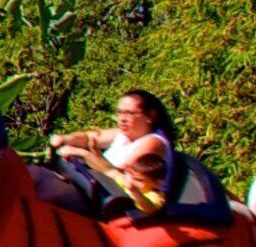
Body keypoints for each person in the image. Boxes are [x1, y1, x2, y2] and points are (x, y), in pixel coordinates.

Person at [42, 89, 178, 213]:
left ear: (150, 116)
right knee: (37, 175)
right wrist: (65, 139)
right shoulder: (123, 134)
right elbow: (93, 136)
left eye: (130, 113)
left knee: (48, 191)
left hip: (116, 201)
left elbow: (115, 173)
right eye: (120, 112)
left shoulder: (153, 143)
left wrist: (82, 153)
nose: (122, 119)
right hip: (93, 187)